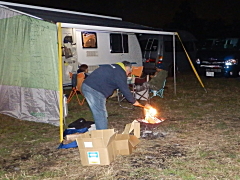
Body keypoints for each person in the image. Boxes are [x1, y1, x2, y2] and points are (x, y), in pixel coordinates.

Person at [81, 61, 142, 130]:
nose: (127, 75)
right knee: (100, 113)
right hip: (94, 90)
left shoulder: (113, 67)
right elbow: (125, 89)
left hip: (89, 86)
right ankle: (102, 135)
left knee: (101, 111)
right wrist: (133, 101)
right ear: (127, 68)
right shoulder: (120, 73)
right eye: (128, 73)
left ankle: (100, 127)